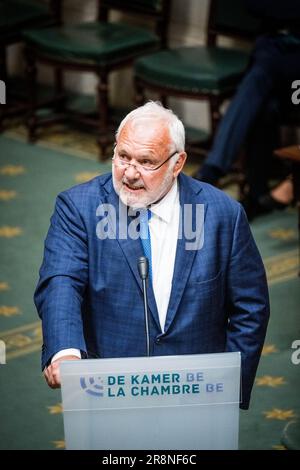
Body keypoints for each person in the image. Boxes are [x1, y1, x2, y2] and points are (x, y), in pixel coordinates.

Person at [34, 101, 270, 409]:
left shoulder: (222, 214)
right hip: (107, 388)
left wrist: (227, 386)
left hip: (196, 393)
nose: (129, 173)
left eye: (146, 162)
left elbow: (250, 307)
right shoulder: (79, 207)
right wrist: (65, 351)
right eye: (122, 157)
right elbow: (61, 282)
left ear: (177, 163)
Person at [194, 0, 300, 218]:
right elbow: (254, 6)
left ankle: (212, 170)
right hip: (273, 46)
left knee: (262, 75)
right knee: (265, 105)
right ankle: (257, 193)